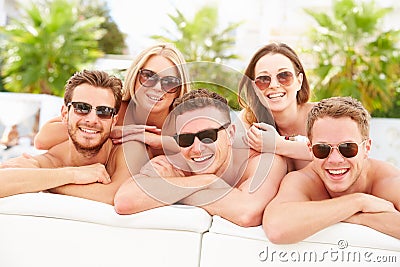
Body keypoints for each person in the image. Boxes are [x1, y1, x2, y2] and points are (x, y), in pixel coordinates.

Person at [114, 88, 287, 227]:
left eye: (208, 135)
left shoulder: (262, 160)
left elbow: (246, 213)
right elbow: (125, 200)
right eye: (185, 139)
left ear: (231, 133)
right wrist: (206, 181)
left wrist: (171, 191)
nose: (196, 149)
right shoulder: (174, 164)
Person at [34, 43, 190, 175]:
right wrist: (110, 131)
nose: (157, 87)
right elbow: (42, 140)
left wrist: (159, 141)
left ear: (179, 88)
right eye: (148, 76)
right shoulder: (110, 110)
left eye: (170, 82)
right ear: (135, 76)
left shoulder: (187, 122)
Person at [263, 96, 400, 243]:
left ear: (366, 148)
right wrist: (358, 202)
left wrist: (356, 217)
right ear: (310, 149)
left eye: (347, 148)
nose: (335, 160)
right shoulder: (304, 180)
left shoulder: (388, 181)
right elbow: (276, 228)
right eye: (322, 149)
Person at [0, 70, 131, 205]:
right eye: (81, 108)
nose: (92, 120)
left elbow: (114, 196)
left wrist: (43, 181)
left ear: (114, 121)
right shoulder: (54, 159)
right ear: (64, 114)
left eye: (104, 111)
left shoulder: (124, 151)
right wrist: (72, 175)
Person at [238, 42, 315, 171]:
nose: (274, 85)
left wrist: (276, 145)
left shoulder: (322, 117)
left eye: (284, 76)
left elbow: (338, 154)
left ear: (299, 81)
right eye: (263, 79)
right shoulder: (249, 120)